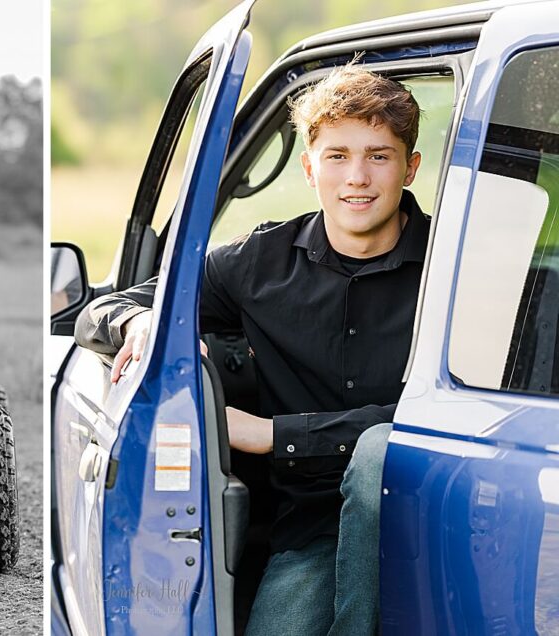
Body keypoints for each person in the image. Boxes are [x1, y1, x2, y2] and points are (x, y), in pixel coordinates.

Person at [75, 64, 428, 635]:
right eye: (337, 156)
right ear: (310, 167)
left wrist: (271, 434)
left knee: (381, 452)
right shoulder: (256, 263)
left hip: (425, 523)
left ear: (409, 167)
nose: (357, 177)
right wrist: (144, 323)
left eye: (379, 156)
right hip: (309, 528)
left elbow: (443, 420)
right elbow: (99, 312)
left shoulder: (449, 270)